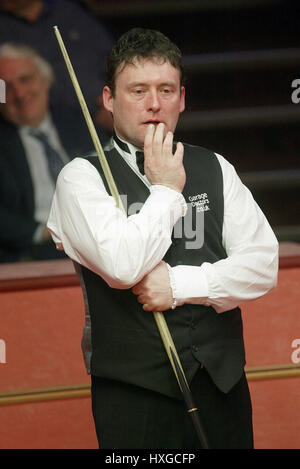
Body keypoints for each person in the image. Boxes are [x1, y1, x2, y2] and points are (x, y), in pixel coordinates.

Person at [47, 28, 278, 449]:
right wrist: (168, 189)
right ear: (108, 100)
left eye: (166, 89)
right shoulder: (81, 178)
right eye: (138, 90)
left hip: (223, 386)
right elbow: (122, 267)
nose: (154, 103)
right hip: (135, 397)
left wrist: (178, 286)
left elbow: (263, 265)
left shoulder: (215, 167)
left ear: (182, 100)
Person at [0, 42, 93, 262]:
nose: (19, 93)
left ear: (45, 81)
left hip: (94, 239)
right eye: (6, 86)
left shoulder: (81, 127)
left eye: (25, 80)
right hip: (31, 251)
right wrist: (43, 232)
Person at [0, 0, 115, 125]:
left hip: (107, 100)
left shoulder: (68, 10)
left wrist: (114, 93)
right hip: (53, 121)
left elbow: (112, 58)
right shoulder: (4, 29)